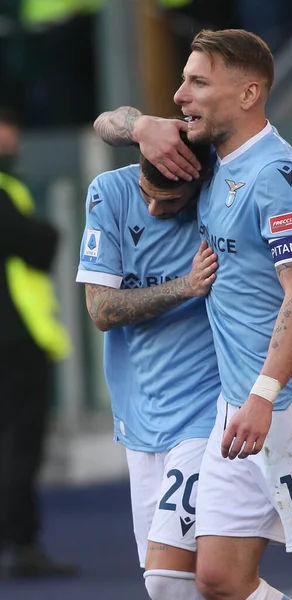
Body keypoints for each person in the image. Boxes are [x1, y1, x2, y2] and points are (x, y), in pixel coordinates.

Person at [92, 29, 292, 600]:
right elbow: (107, 124)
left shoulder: (278, 174)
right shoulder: (217, 160)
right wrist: (141, 126)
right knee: (217, 578)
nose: (180, 95)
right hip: (236, 409)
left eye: (197, 82)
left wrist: (263, 395)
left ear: (249, 94)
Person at [77, 128, 292, 600]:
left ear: (199, 187)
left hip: (208, 416)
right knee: (187, 588)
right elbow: (100, 311)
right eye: (148, 194)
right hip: (139, 421)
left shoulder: (228, 200)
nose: (156, 210)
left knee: (168, 581)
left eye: (172, 202)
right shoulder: (109, 191)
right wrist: (184, 286)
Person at [0, 107, 75, 579]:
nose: (13, 137)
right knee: (18, 445)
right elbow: (36, 242)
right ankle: (21, 545)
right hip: (14, 337)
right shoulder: (6, 190)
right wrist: (47, 232)